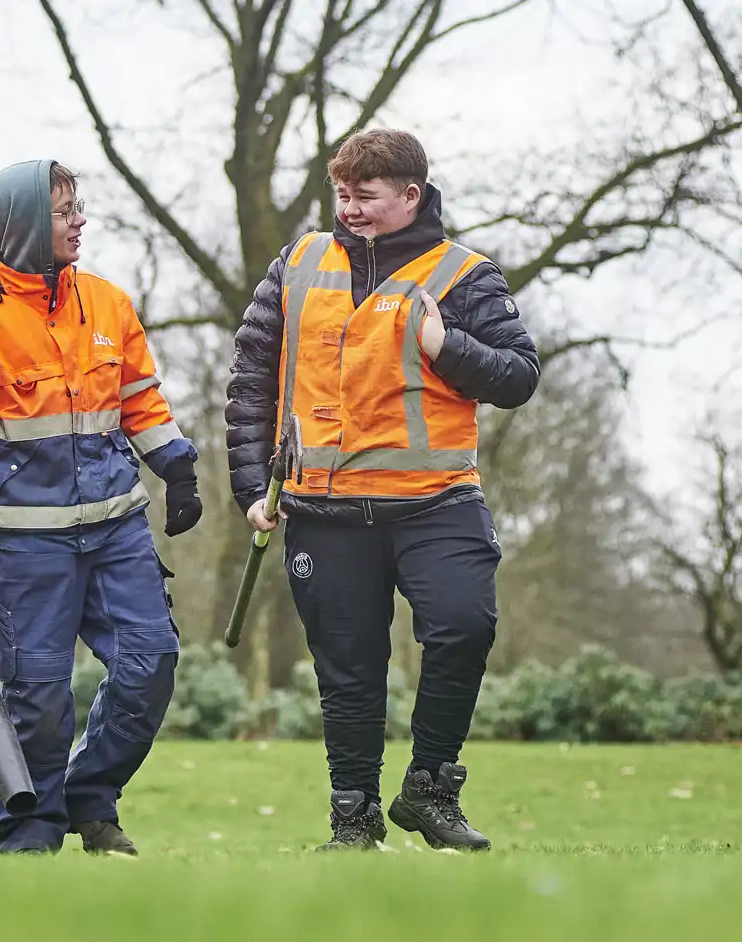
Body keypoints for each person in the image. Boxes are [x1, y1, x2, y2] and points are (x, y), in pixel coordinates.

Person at [225, 128, 539, 851]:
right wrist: (250, 484)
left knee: (465, 627)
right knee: (348, 673)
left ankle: (430, 789)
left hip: (436, 503)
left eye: (366, 197)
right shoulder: (298, 262)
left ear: (411, 195)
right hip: (323, 511)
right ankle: (354, 820)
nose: (351, 210)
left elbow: (518, 377)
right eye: (342, 196)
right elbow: (251, 375)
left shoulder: (465, 275)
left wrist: (445, 347)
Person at [0, 160, 201, 856]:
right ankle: (31, 833)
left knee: (151, 661)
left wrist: (178, 468)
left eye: (80, 207)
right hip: (27, 542)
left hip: (117, 529)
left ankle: (88, 793)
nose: (81, 221)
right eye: (67, 210)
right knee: (38, 699)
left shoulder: (107, 303)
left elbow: (140, 400)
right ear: (27, 225)